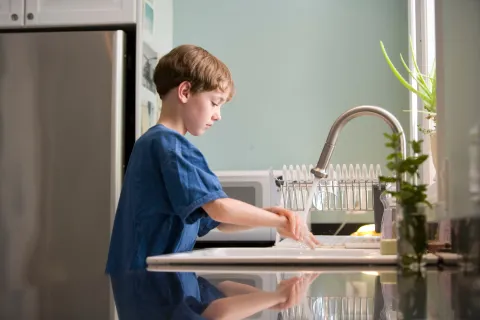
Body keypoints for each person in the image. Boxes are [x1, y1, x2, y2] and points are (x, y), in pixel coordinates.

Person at [105, 44, 318, 274]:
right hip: (152, 284)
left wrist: (271, 215)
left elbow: (218, 221)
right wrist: (279, 222)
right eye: (215, 103)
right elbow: (219, 209)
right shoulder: (171, 145)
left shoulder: (154, 143)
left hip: (143, 282)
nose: (218, 115)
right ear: (185, 92)